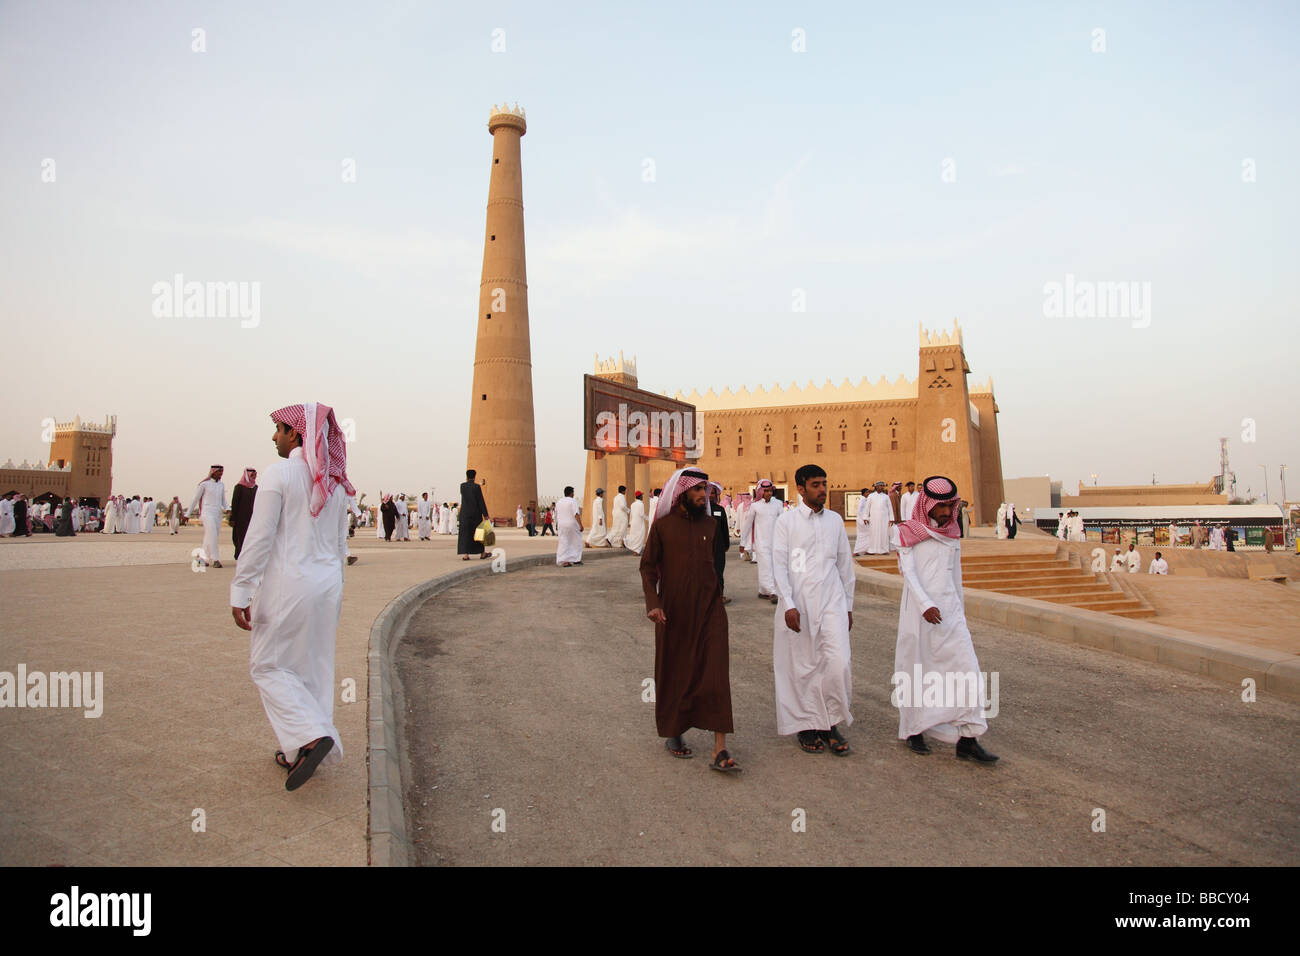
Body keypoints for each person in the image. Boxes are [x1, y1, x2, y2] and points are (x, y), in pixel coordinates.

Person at [231, 402, 352, 792]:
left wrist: (242, 589)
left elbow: (259, 537)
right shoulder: (333, 482)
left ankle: (313, 736)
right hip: (326, 587)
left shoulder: (279, 473)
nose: (273, 437)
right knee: (312, 667)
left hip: (289, 586)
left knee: (267, 666)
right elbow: (338, 546)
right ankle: (301, 747)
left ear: (296, 434)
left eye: (278, 430)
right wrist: (335, 592)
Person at [892, 476, 997, 763]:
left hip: (950, 613)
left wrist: (959, 612)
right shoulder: (905, 533)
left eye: (950, 506)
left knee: (968, 671)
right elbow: (909, 573)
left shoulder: (952, 534)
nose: (947, 513)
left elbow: (955, 577)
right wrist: (925, 604)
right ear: (928, 505)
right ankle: (914, 729)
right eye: (942, 507)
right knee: (917, 671)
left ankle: (968, 737)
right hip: (918, 612)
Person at [639, 467, 738, 772]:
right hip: (674, 611)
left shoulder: (711, 523)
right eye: (697, 489)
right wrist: (654, 603)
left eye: (705, 490)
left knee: (716, 672)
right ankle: (674, 731)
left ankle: (720, 748)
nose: (702, 495)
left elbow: (718, 560)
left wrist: (718, 593)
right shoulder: (664, 527)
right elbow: (648, 568)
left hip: (710, 611)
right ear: (681, 492)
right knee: (676, 669)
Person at [772, 464, 855, 756]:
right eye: (816, 484)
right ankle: (808, 725)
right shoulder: (787, 522)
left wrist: (848, 606)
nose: (823, 489)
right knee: (804, 666)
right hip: (800, 605)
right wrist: (788, 604)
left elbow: (845, 566)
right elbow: (779, 566)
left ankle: (830, 721)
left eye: (824, 483)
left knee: (837, 663)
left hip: (832, 602)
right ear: (801, 489)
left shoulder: (834, 521)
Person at [746, 479, 783, 602]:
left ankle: (763, 591)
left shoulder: (778, 504)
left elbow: (782, 522)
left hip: (776, 541)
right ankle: (772, 592)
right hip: (761, 542)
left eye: (770, 491)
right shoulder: (755, 506)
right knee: (765, 567)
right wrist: (743, 543)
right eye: (765, 491)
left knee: (773, 567)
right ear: (761, 492)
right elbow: (747, 525)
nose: (768, 493)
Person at [190, 465, 227, 567]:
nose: (221, 474)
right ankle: (216, 559)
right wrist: (187, 514)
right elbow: (195, 499)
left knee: (209, 536)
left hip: (218, 514)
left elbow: (223, 500)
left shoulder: (221, 485)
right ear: (213, 472)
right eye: (219, 472)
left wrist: (228, 509)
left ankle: (202, 559)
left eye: (222, 472)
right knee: (213, 535)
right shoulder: (204, 484)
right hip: (207, 512)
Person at [457, 470, 490, 560]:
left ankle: (466, 555)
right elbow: (480, 501)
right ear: (474, 476)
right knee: (478, 534)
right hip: (475, 514)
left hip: (465, 514)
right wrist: (485, 514)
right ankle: (482, 553)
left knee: (466, 534)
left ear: (467, 476)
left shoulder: (462, 486)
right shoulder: (476, 487)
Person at [708, 482, 731, 604]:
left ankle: (719, 595)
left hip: (718, 547)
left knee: (718, 571)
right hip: (705, 547)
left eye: (713, 493)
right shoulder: (700, 510)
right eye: (709, 493)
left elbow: (724, 529)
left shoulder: (720, 509)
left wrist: (726, 545)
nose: (711, 496)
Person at [230, 468, 258, 560]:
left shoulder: (256, 488)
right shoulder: (239, 487)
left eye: (255, 475)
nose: (254, 477)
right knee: (240, 538)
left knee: (251, 538)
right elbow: (235, 503)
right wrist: (232, 518)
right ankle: (240, 556)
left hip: (252, 517)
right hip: (240, 518)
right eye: (252, 475)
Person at [861, 481, 893, 554]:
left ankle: (884, 550)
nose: (882, 487)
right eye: (880, 486)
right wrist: (865, 517)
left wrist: (891, 519)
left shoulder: (886, 496)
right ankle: (872, 550)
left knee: (884, 534)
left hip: (884, 519)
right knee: (873, 534)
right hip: (874, 519)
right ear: (876, 487)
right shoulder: (871, 496)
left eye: (883, 486)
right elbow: (867, 508)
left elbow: (890, 508)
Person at [555, 486, 584, 566]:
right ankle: (576, 559)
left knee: (563, 542)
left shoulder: (559, 502)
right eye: (573, 492)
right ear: (571, 493)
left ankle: (564, 561)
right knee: (576, 541)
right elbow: (576, 514)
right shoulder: (573, 501)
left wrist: (557, 525)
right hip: (571, 524)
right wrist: (580, 525)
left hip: (561, 524)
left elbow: (556, 515)